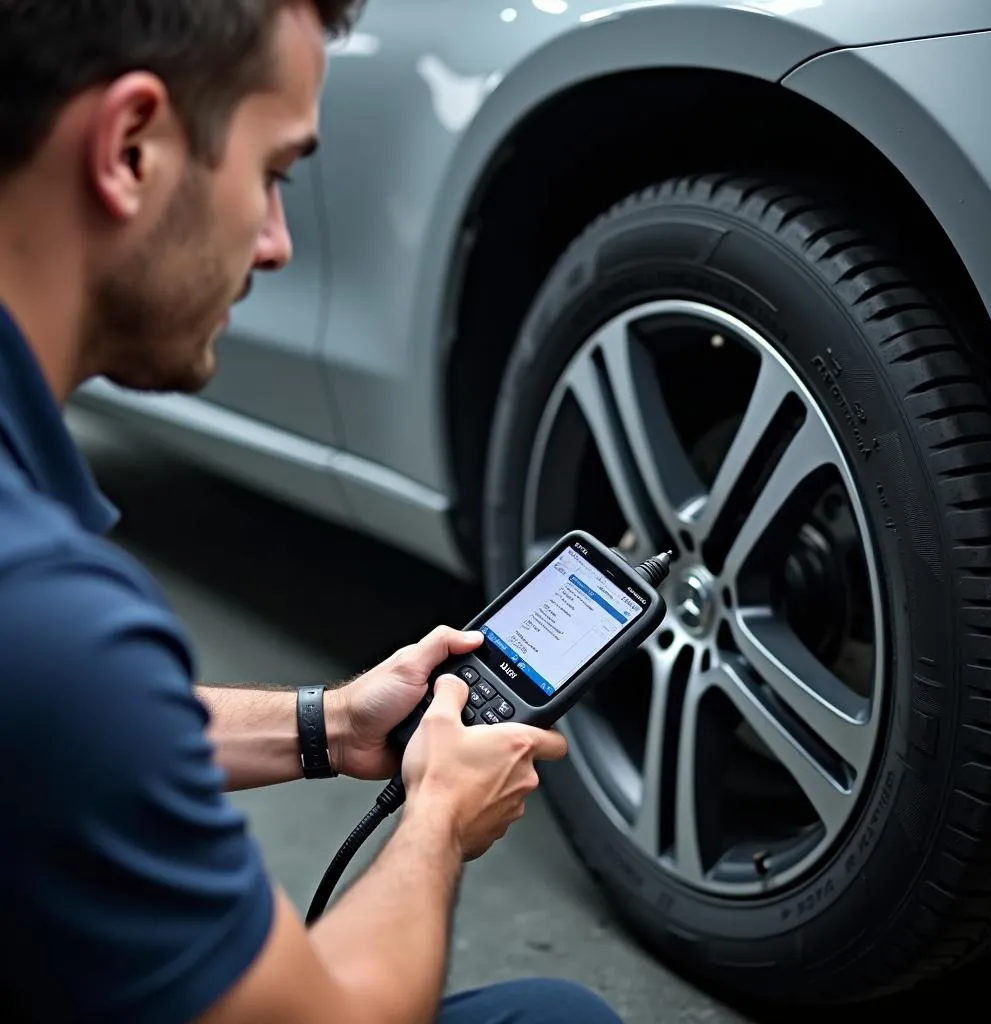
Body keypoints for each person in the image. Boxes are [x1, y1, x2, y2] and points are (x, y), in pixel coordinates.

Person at [0, 2, 629, 1023]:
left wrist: (329, 725)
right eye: (273, 174)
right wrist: (435, 813)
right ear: (129, 148)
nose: (279, 243)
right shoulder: (48, 612)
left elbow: (67, 738)